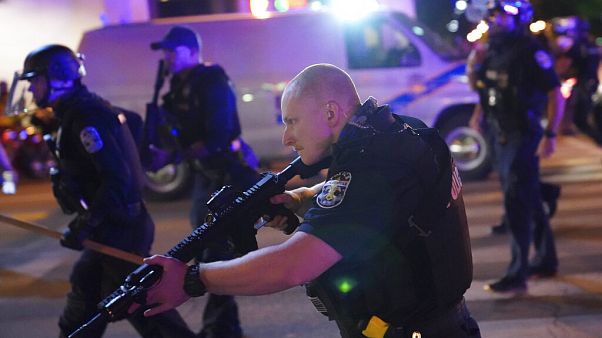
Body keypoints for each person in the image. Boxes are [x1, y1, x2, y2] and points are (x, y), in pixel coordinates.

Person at [138, 63, 481, 338]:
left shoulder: (371, 168)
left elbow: (291, 266)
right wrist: (301, 198)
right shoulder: (403, 132)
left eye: (292, 121)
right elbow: (377, 200)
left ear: (330, 113)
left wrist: (193, 279)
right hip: (447, 324)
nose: (287, 137)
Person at [17, 44, 196, 338]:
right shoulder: (75, 112)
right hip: (110, 227)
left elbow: (117, 179)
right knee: (86, 296)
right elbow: (131, 123)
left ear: (58, 77)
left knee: (144, 307)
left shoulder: (86, 116)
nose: (32, 90)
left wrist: (87, 224)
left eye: (35, 81)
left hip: (120, 230)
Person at [149, 25, 260, 338]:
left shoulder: (211, 80)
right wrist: (165, 153)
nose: (167, 57)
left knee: (214, 252)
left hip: (228, 173)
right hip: (205, 175)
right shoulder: (175, 88)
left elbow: (217, 136)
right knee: (207, 250)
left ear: (191, 51)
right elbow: (181, 136)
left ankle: (221, 329)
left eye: (172, 51)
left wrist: (175, 154)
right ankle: (223, 328)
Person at [467, 0, 563, 293]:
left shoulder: (531, 51)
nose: (493, 19)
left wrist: (551, 135)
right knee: (529, 196)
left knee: (516, 202)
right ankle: (546, 259)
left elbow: (555, 94)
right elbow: (483, 87)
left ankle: (517, 273)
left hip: (523, 134)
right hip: (500, 135)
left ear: (519, 19)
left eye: (500, 15)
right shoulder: (494, 49)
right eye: (491, 14)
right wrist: (478, 112)